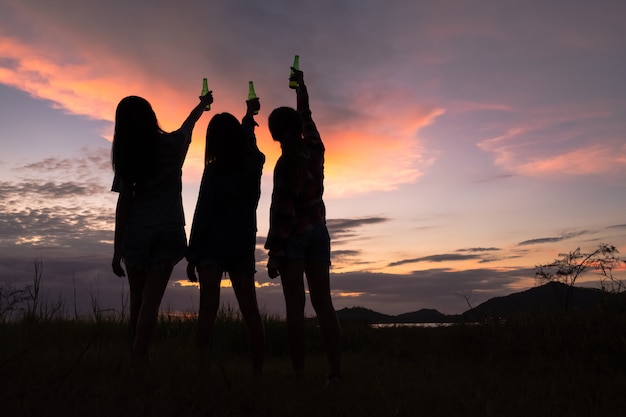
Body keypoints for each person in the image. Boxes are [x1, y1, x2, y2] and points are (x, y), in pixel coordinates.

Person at [111, 91, 213, 359]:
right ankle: (138, 358)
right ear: (151, 117)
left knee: (137, 300)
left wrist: (116, 250)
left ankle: (136, 360)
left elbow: (124, 206)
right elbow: (187, 128)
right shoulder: (171, 146)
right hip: (166, 232)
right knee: (151, 302)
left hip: (136, 236)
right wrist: (201, 105)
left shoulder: (126, 157)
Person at [265, 67, 342, 383]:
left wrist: (275, 252)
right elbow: (306, 115)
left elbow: (283, 216)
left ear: (274, 135)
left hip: (294, 239)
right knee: (324, 304)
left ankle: (299, 375)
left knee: (295, 308)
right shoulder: (315, 147)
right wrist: (301, 87)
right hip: (319, 233)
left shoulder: (285, 167)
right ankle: (335, 373)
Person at [186, 97, 265, 376]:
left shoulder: (214, 172)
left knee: (208, 311)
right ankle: (258, 372)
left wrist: (192, 255)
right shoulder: (253, 165)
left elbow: (202, 214)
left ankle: (202, 370)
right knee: (251, 313)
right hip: (241, 246)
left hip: (210, 250)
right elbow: (251, 147)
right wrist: (247, 121)